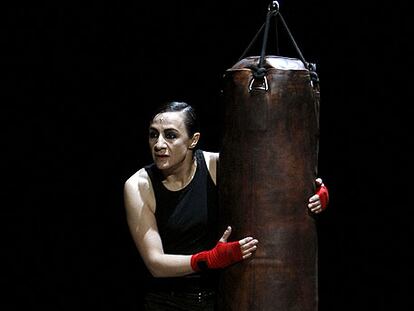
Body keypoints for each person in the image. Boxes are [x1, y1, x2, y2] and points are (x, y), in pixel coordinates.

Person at [123, 101, 329, 310]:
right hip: (167, 301)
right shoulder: (139, 185)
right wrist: (209, 259)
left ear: (193, 140)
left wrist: (311, 191)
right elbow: (155, 263)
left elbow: (277, 182)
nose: (158, 144)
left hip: (222, 297)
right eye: (153, 134)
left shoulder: (216, 166)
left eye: (170, 135)